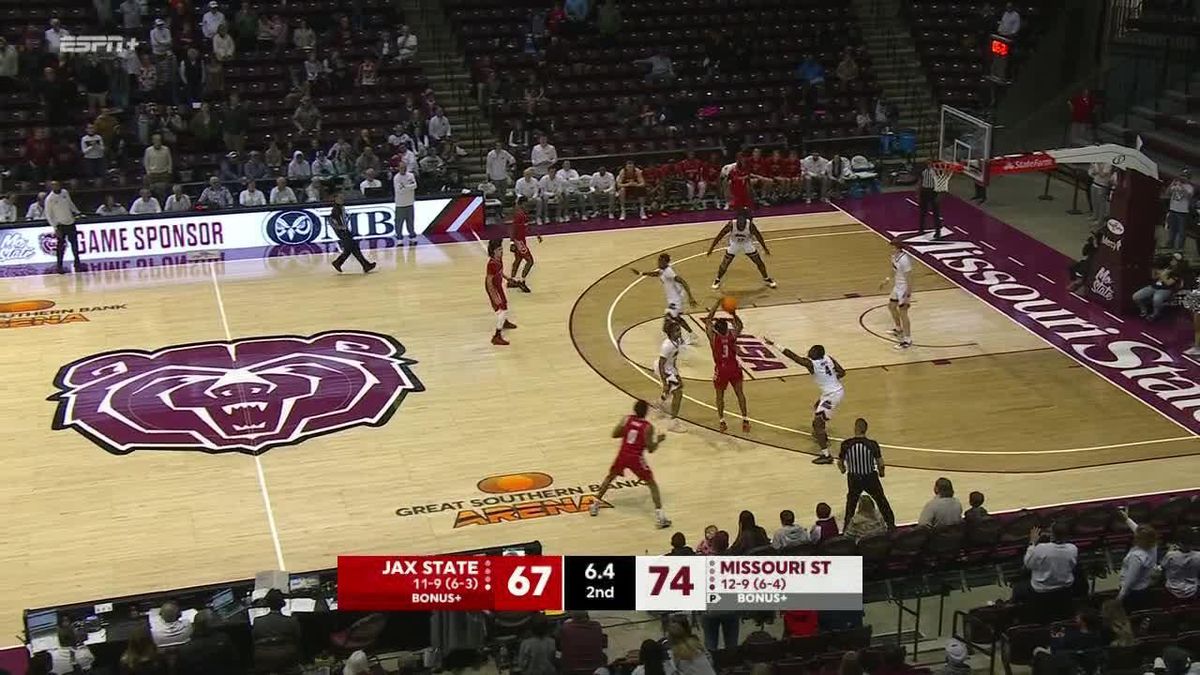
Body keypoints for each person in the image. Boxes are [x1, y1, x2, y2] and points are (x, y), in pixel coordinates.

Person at [588, 399, 670, 528]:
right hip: (636, 458)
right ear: (646, 412)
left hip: (623, 454)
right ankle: (661, 517)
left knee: (610, 477)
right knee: (652, 483)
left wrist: (626, 432)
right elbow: (651, 449)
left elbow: (615, 434)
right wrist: (659, 440)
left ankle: (595, 504)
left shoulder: (626, 419)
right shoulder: (648, 427)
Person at [766, 338, 846, 462]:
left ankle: (826, 455)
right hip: (834, 391)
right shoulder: (828, 358)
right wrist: (832, 380)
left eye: (812, 351)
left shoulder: (812, 364)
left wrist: (775, 345)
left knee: (817, 424)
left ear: (816, 354)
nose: (809, 351)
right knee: (817, 407)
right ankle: (822, 435)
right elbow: (842, 372)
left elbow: (794, 357)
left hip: (832, 395)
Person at [836, 418, 896, 527]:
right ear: (866, 429)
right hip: (870, 477)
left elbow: (840, 462)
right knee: (881, 501)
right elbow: (880, 463)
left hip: (854, 478)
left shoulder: (846, 444)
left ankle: (847, 527)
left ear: (855, 428)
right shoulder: (872, 444)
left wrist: (843, 470)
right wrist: (881, 473)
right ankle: (891, 524)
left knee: (851, 504)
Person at [706, 299, 750, 433]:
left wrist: (716, 304)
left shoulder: (714, 338)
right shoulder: (732, 335)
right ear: (726, 328)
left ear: (716, 329)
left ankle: (722, 422)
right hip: (734, 367)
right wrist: (733, 313)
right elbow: (740, 325)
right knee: (740, 394)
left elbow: (708, 320)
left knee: (720, 396)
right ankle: (745, 421)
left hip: (721, 369)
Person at [632, 252, 698, 341]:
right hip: (672, 299)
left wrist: (691, 297)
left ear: (665, 262)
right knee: (677, 318)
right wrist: (641, 273)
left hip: (676, 299)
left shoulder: (669, 272)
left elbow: (683, 281)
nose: (658, 262)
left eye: (661, 261)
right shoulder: (663, 270)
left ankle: (675, 337)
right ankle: (691, 334)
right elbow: (656, 273)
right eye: (658, 260)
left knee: (669, 317)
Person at [706, 209, 777, 290]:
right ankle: (717, 279)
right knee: (725, 264)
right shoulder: (731, 224)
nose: (741, 222)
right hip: (734, 244)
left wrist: (765, 248)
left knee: (759, 262)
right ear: (737, 218)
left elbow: (759, 237)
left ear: (746, 219)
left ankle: (766, 278)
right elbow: (720, 236)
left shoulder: (750, 225)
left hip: (746, 244)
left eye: (743, 220)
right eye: (740, 219)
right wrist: (711, 248)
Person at [1015, 522, 1078, 604]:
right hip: (1065, 590)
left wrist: (1032, 543)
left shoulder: (1041, 548)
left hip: (1042, 591)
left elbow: (1028, 564)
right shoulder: (1073, 549)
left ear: (1052, 535)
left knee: (1019, 586)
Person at [252, 589, 302, 675]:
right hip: (286, 656)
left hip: (263, 657)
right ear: (282, 603)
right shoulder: (292, 621)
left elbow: (254, 640)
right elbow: (298, 639)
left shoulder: (257, 621)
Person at [1116, 508, 1158, 608]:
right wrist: (1127, 519)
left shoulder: (1136, 557)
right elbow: (1139, 531)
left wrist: (1119, 598)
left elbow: (1130, 581)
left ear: (1140, 539)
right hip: (1144, 588)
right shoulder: (1153, 545)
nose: (1135, 537)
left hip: (1132, 593)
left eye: (1137, 537)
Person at [175, 609, 237, 675]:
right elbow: (234, 661)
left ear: (194, 625)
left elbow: (181, 670)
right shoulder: (223, 639)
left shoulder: (185, 649)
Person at [329, 192, 375, 274]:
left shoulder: (340, 208)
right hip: (343, 232)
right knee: (354, 248)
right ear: (336, 199)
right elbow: (332, 221)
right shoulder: (336, 209)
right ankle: (365, 265)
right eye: (340, 198)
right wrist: (341, 228)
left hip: (345, 231)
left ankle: (338, 263)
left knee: (351, 249)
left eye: (342, 197)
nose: (342, 199)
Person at [881, 238, 914, 349]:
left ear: (897, 247)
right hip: (897, 286)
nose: (890, 248)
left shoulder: (905, 260)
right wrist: (887, 279)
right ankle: (898, 329)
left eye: (892, 247)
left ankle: (907, 340)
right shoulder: (894, 256)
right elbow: (894, 269)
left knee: (903, 313)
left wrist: (908, 295)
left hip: (904, 288)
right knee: (891, 306)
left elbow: (909, 278)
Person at [46, 181, 83, 274]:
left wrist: (77, 212)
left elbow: (70, 204)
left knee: (75, 245)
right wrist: (55, 227)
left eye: (57, 184)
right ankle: (59, 266)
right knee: (60, 247)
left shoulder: (65, 192)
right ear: (51, 187)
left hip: (70, 222)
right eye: (54, 185)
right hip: (60, 225)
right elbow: (49, 215)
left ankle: (77, 263)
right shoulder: (50, 199)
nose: (56, 186)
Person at [486, 238, 518, 345]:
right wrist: (493, 296)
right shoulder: (491, 264)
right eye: (499, 250)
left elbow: (500, 272)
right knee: (503, 309)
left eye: (502, 249)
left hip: (498, 285)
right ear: (493, 251)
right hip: (493, 288)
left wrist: (507, 278)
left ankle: (504, 322)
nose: (502, 251)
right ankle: (496, 336)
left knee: (505, 303)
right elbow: (489, 281)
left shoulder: (499, 259)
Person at [1133, 257, 1182, 321]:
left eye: (1175, 261)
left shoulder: (1176, 272)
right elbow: (1154, 278)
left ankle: (1156, 313)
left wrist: (1163, 275)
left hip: (1165, 289)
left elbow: (1168, 283)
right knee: (1136, 296)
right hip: (1153, 287)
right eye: (1172, 260)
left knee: (1157, 299)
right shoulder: (1166, 267)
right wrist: (1154, 271)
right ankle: (1144, 310)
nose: (1172, 261)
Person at [507, 202, 542, 292]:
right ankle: (522, 282)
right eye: (526, 205)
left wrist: (536, 234)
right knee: (530, 261)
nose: (528, 206)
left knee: (518, 260)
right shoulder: (520, 215)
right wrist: (512, 242)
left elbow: (527, 227)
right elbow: (513, 228)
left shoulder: (523, 215)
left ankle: (512, 280)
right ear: (522, 204)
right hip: (519, 242)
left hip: (520, 241)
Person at [1160, 531, 1199, 600]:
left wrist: (1169, 551)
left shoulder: (1171, 555)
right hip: (1193, 589)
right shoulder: (1198, 555)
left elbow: (1163, 566)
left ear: (1179, 543)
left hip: (1172, 588)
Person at [1163, 169, 1195, 252]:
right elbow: (1167, 193)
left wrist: (1181, 187)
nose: (1183, 178)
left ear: (1188, 178)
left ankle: (1180, 248)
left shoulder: (1190, 187)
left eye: (1185, 176)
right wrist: (1171, 185)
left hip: (1182, 212)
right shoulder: (1175, 184)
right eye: (1182, 175)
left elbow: (1188, 196)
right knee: (1172, 229)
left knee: (1181, 231)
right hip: (1173, 210)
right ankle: (1170, 244)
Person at [916, 159, 943, 239]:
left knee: (935, 213)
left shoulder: (937, 172)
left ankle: (938, 231)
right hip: (924, 191)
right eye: (928, 164)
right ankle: (921, 228)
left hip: (933, 191)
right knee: (923, 212)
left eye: (930, 163)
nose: (929, 165)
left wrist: (939, 195)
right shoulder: (923, 172)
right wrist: (918, 194)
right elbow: (920, 182)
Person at [392, 162, 418, 240]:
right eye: (401, 168)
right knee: (399, 222)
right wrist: (409, 187)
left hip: (410, 202)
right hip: (400, 204)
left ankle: (412, 236)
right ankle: (399, 237)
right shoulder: (396, 178)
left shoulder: (411, 175)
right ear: (398, 168)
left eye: (404, 167)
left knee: (410, 221)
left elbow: (415, 185)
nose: (403, 169)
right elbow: (399, 190)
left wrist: (404, 186)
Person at [1088, 161, 1114, 225]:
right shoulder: (1095, 163)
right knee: (1094, 201)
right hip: (1095, 183)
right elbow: (1091, 173)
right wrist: (1093, 169)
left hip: (1102, 185)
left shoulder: (1108, 164)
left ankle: (1100, 220)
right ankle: (1095, 215)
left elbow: (1102, 175)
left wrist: (1098, 166)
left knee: (1101, 204)